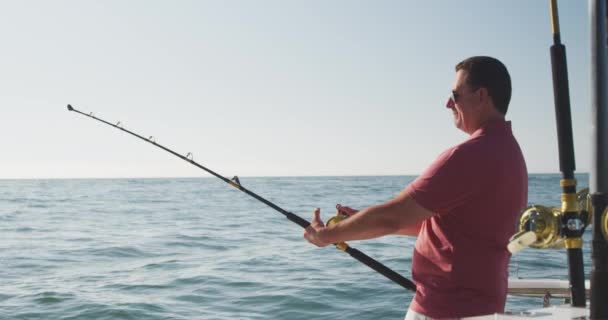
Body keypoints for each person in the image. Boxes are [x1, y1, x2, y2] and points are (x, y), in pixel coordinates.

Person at [304, 56, 528, 320]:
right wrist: (358, 220)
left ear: (481, 96)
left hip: (444, 310)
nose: (448, 103)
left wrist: (325, 235)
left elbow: (391, 218)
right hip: (483, 308)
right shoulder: (510, 153)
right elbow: (444, 226)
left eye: (455, 95)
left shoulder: (467, 156)